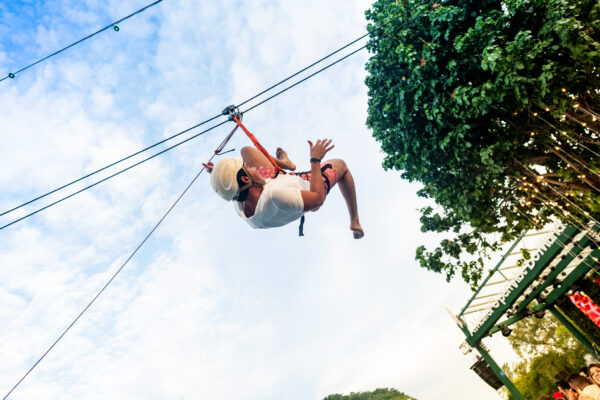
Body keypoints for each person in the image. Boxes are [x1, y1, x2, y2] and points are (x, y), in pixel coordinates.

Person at [203, 139, 364, 238]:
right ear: (246, 178)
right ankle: (355, 221)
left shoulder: (239, 201)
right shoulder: (276, 197)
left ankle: (286, 164)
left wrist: (216, 173)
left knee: (246, 151)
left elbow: (229, 188)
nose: (251, 167)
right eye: (247, 168)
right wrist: (315, 159)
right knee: (341, 165)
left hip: (272, 181)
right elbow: (317, 199)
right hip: (307, 187)